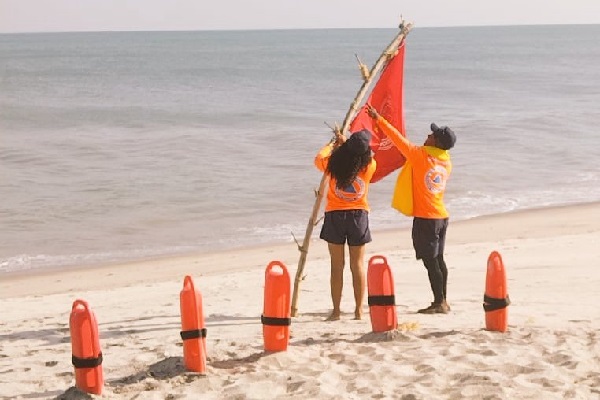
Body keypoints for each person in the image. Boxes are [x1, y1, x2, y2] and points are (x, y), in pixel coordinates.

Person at [367, 105, 456, 314]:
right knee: (439, 259)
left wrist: (378, 118)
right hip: (441, 216)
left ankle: (439, 302)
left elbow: (397, 139)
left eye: (432, 134)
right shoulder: (445, 161)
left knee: (430, 262)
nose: (427, 135)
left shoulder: (421, 157)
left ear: (437, 142)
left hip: (427, 218)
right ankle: (443, 301)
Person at [314, 129, 377, 321]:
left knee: (336, 265)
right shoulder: (370, 166)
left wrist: (334, 145)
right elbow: (360, 157)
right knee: (357, 264)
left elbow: (318, 158)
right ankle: (359, 310)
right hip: (359, 216)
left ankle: (336, 311)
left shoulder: (332, 164)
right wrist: (345, 145)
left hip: (335, 215)